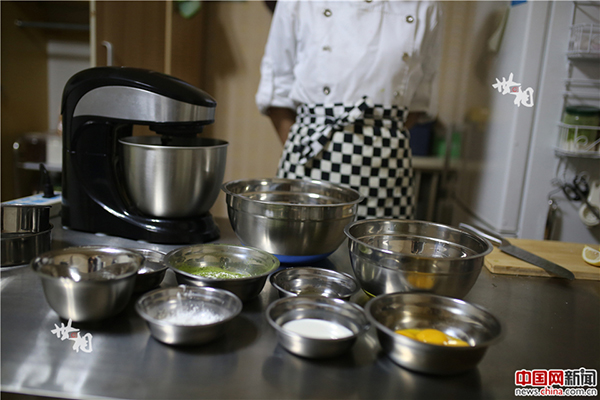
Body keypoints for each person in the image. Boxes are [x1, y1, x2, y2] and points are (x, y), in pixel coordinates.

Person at [256, 1, 442, 219]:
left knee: (383, 241)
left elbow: (419, 102)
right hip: (310, 165)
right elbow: (277, 91)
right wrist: (303, 147)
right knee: (301, 238)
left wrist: (382, 140)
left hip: (386, 173)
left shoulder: (425, 6)